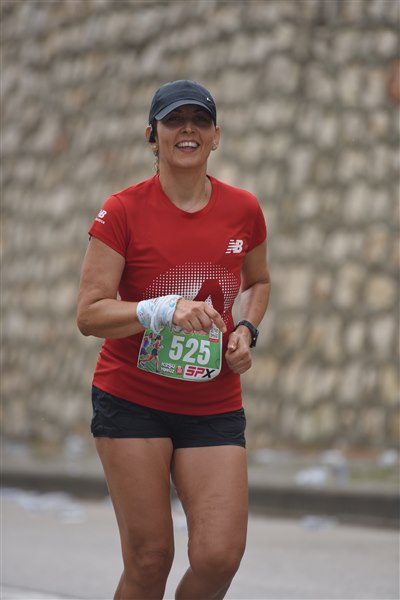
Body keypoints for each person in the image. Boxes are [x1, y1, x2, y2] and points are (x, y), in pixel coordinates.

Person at [77, 79, 271, 600]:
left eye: (200, 120)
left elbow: (257, 282)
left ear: (216, 137)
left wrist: (247, 329)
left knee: (219, 556)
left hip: (212, 402)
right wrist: (161, 309)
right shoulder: (122, 210)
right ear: (152, 134)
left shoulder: (243, 209)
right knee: (149, 559)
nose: (188, 129)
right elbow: (89, 314)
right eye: (174, 120)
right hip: (131, 400)